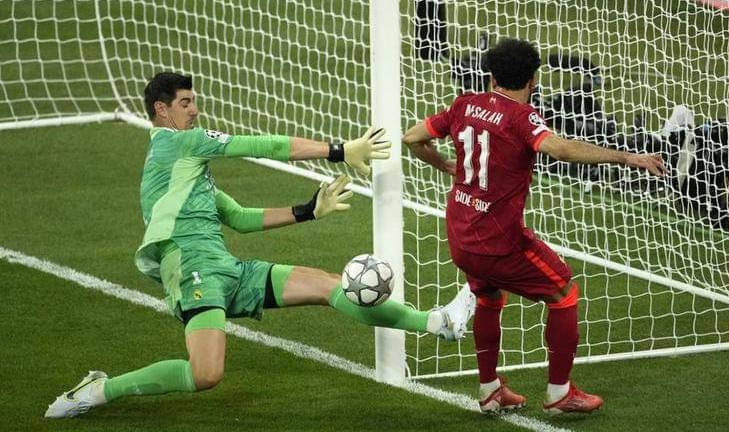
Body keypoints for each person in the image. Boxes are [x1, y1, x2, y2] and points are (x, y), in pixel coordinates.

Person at [45, 72, 475, 418]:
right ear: (161, 109)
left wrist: (308, 210)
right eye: (185, 103)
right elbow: (263, 145)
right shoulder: (180, 143)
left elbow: (238, 217)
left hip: (227, 269)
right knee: (205, 374)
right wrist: (339, 149)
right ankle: (100, 389)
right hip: (193, 271)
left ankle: (436, 322)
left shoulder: (186, 175)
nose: (195, 110)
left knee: (329, 285)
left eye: (194, 102)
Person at [402, 38, 665, 414]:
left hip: (461, 235)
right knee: (564, 293)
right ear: (533, 80)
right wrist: (626, 157)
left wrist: (443, 164)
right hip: (500, 242)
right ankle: (559, 394)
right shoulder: (522, 118)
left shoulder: (464, 104)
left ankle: (490, 390)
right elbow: (560, 149)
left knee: (488, 297)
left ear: (492, 76)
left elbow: (412, 138)